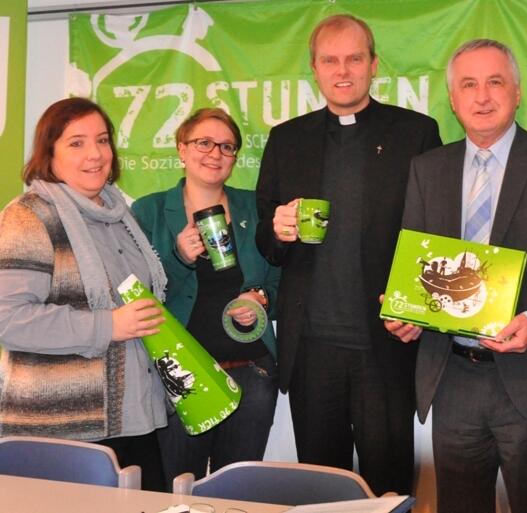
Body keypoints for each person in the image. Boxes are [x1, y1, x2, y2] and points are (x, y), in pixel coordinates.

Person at [386, 39, 527, 513]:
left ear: (517, 92)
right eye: (468, 85)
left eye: (495, 82)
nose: (482, 96)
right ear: (453, 100)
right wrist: (407, 310)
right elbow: (419, 263)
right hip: (454, 380)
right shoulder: (427, 170)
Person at [255, 14, 441, 495]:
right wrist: (278, 230)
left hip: (386, 345)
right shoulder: (286, 139)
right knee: (323, 490)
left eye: (354, 59)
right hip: (311, 349)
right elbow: (266, 242)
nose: (343, 71)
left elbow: (436, 233)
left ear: (374, 65)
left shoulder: (416, 133)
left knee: (390, 490)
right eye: (330, 60)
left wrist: (418, 310)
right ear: (314, 69)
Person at [0, 97, 169, 491]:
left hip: (135, 419)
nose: (95, 154)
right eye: (76, 143)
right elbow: (8, 319)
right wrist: (107, 325)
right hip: (64, 433)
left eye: (102, 140)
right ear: (49, 153)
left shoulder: (120, 215)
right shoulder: (28, 216)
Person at [132, 108, 280, 489]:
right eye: (204, 143)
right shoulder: (148, 211)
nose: (215, 153)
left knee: (238, 494)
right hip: (181, 378)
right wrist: (179, 258)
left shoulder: (256, 208)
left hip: (250, 374)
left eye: (227, 147)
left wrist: (261, 299)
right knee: (178, 491)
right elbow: (137, 292)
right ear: (182, 149)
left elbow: (283, 281)